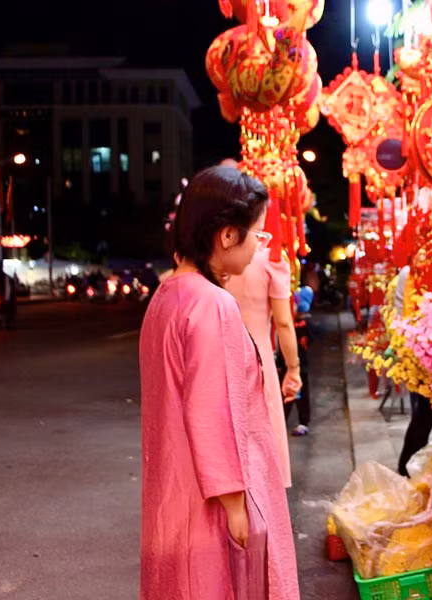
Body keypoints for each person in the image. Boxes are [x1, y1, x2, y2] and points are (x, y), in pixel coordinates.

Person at [138, 166, 298, 600]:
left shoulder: (167, 296)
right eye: (257, 236)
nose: (258, 248)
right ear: (227, 235)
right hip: (214, 502)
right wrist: (234, 505)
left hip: (177, 489)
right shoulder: (212, 305)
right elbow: (213, 410)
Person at [222, 166, 301, 489]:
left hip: (222, 357)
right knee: (262, 438)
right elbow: (283, 322)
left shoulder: (220, 256)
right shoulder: (270, 260)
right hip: (260, 360)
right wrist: (292, 369)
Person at [393, 265, 432, 477]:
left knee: (424, 415)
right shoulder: (410, 273)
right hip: (423, 355)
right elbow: (400, 314)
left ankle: (409, 469)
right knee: (424, 414)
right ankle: (407, 469)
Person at [283, 285, 314, 436]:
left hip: (296, 365)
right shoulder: (303, 323)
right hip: (296, 365)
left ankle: (300, 421)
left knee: (292, 394)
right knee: (291, 394)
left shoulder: (298, 324)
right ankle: (296, 422)